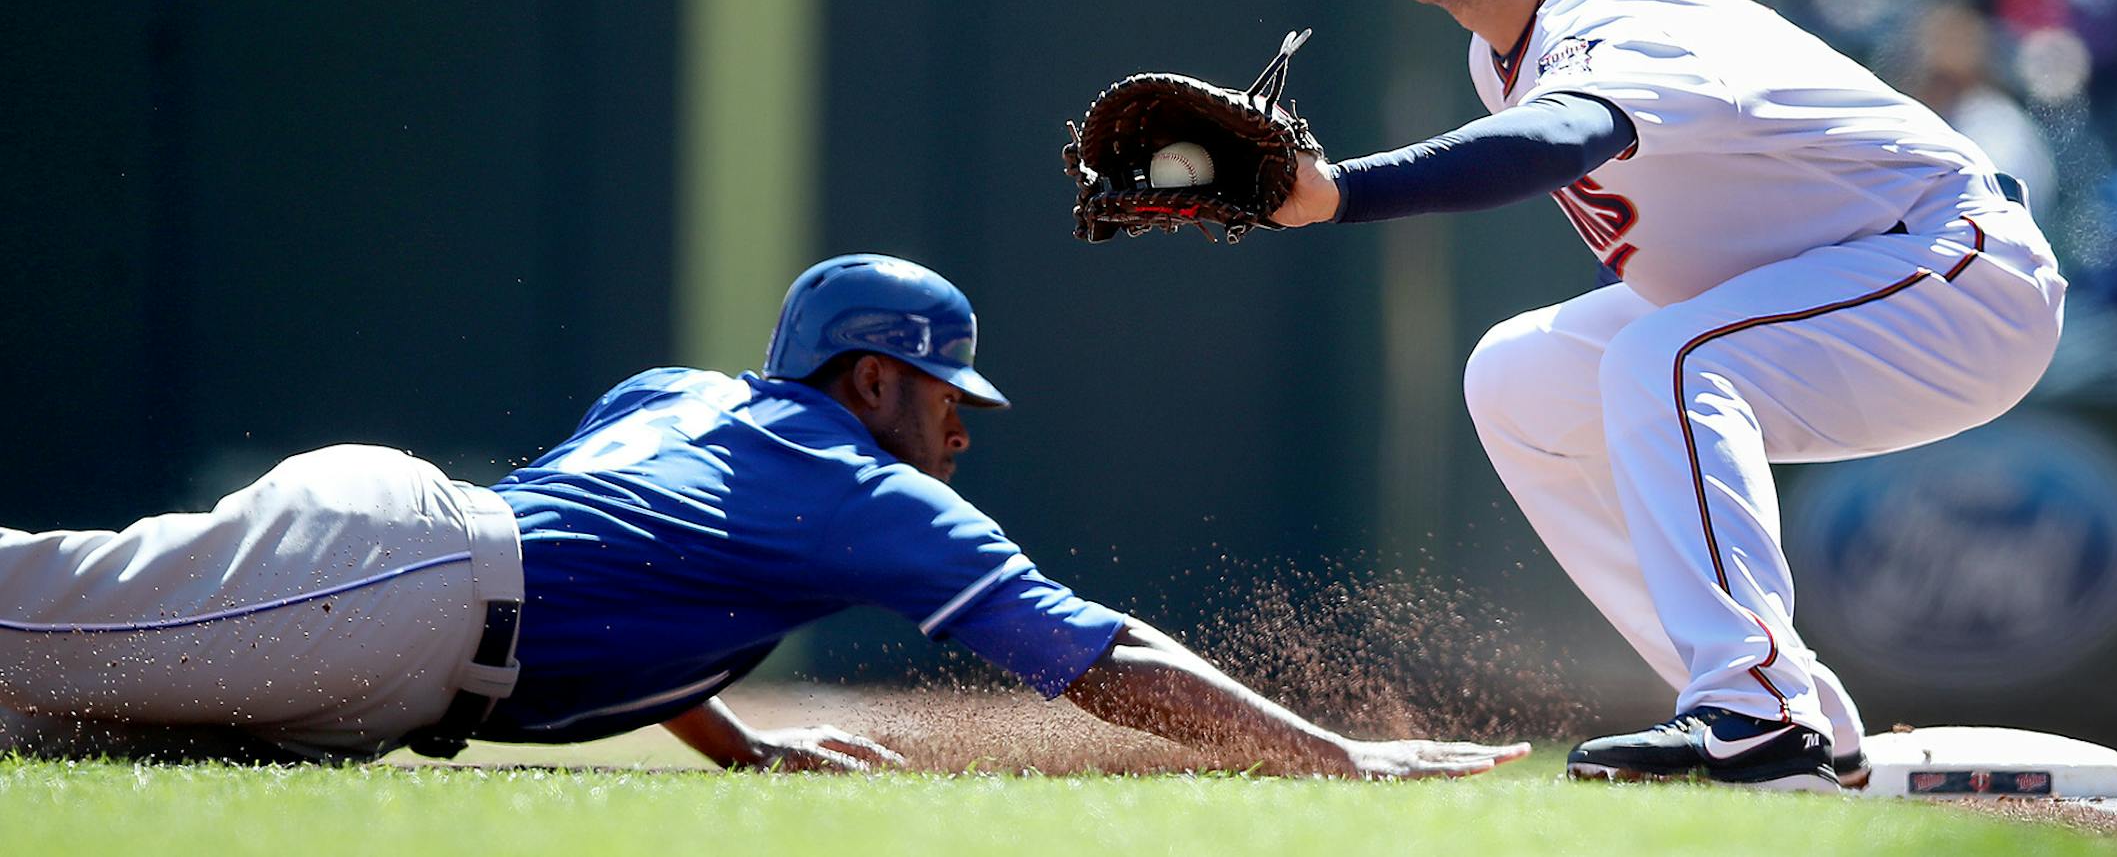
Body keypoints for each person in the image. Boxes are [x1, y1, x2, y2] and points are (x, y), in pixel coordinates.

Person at [1276, 0, 2066, 791]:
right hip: (1842, 278)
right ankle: (1790, 706)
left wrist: (1338, 190)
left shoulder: (1619, 12)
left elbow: (1559, 136)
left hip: (1958, 270)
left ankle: (1755, 711)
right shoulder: (1499, 47)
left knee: (1668, 353)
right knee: (1518, 379)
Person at [0, 254, 1527, 779]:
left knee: (42, 707)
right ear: (873, 379)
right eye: (947, 394)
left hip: (402, 605)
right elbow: (1093, 652)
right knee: (28, 616)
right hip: (396, 586)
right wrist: (1330, 753)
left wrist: (733, 736)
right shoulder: (855, 488)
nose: (960, 426)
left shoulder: (690, 397)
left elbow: (632, 563)